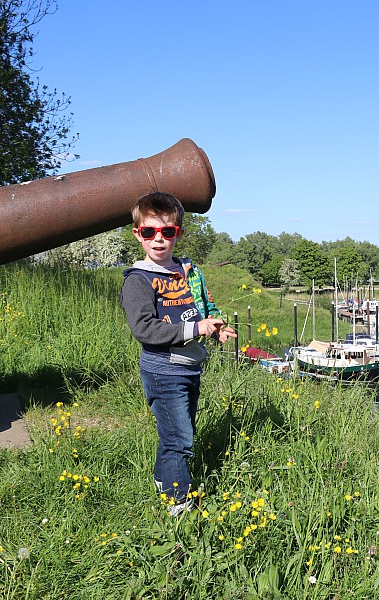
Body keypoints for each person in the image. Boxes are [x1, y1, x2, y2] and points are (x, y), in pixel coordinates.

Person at [120, 191, 236, 517]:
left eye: (167, 232)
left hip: (189, 366)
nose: (158, 239)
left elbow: (202, 307)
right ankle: (179, 507)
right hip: (162, 370)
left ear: (178, 234)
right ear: (138, 234)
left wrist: (215, 328)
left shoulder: (188, 272)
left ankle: (162, 478)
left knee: (179, 431)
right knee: (180, 440)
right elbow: (144, 329)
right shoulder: (139, 280)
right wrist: (195, 329)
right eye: (149, 232)